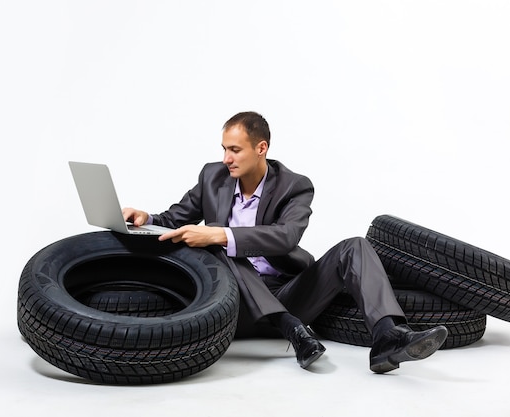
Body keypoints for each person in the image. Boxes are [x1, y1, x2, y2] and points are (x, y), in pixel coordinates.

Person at [123, 111, 448, 373]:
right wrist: (145, 218)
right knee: (215, 247)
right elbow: (177, 216)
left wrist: (221, 233)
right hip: (234, 304)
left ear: (261, 148)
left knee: (355, 246)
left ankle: (388, 338)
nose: (226, 158)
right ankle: (291, 328)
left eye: (234, 149)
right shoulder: (213, 177)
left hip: (287, 291)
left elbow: (286, 236)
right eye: (224, 149)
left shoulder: (295, 186)